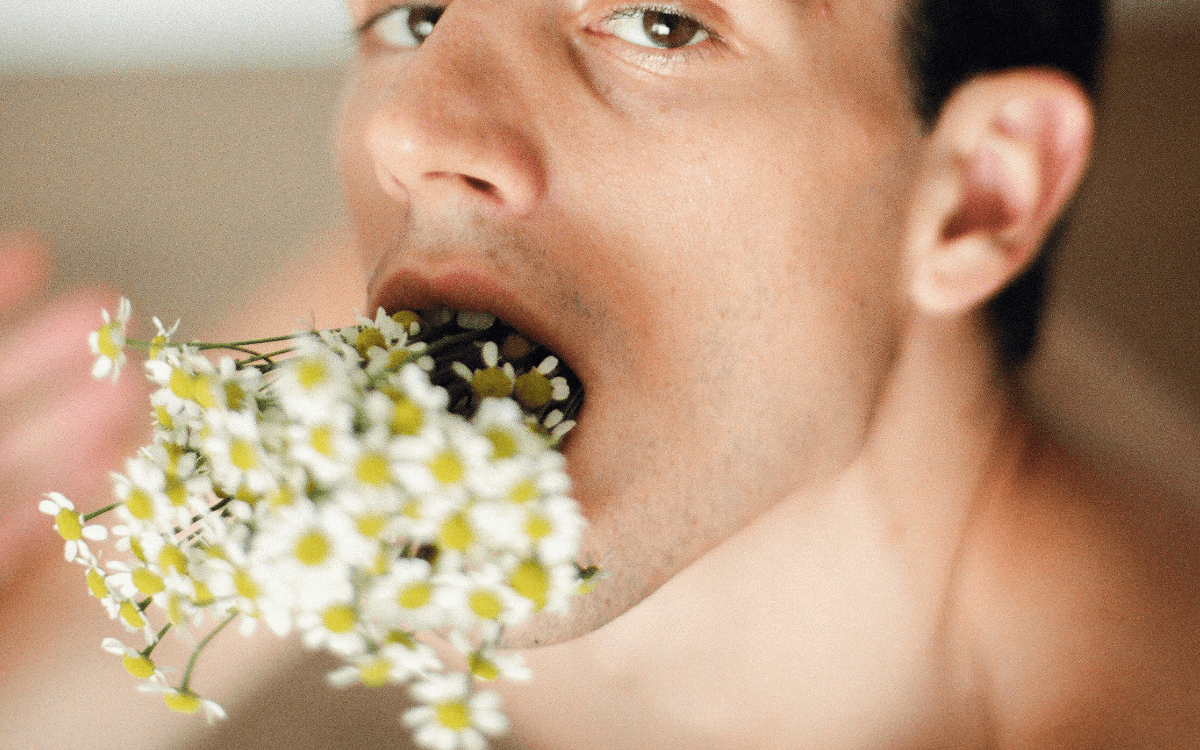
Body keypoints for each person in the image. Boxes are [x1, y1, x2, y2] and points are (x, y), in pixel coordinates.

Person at [2, 0, 1198, 747]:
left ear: (975, 194)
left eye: (664, 22)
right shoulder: (488, 314)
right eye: (416, 15)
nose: (414, 135)